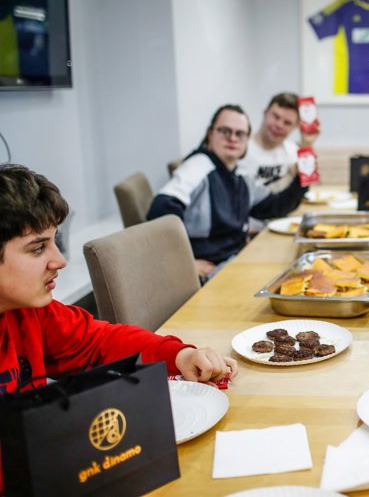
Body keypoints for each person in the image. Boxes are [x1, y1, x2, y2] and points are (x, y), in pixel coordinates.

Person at [0, 164, 236, 490]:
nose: (60, 260)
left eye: (55, 242)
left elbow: (98, 342)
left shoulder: (28, 312)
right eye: (38, 248)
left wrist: (178, 355)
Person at [148, 104, 306, 279]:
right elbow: (160, 210)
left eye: (240, 134)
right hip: (212, 272)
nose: (232, 138)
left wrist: (302, 180)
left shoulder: (240, 173)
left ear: (247, 140)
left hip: (235, 258)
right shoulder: (198, 166)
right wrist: (183, 262)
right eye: (225, 131)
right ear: (210, 134)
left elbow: (272, 207)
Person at [238, 91, 319, 198]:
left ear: (295, 126)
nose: (279, 125)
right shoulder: (239, 147)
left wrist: (308, 143)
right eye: (276, 117)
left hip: (283, 207)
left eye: (287, 123)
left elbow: (306, 188)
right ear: (265, 113)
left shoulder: (294, 152)